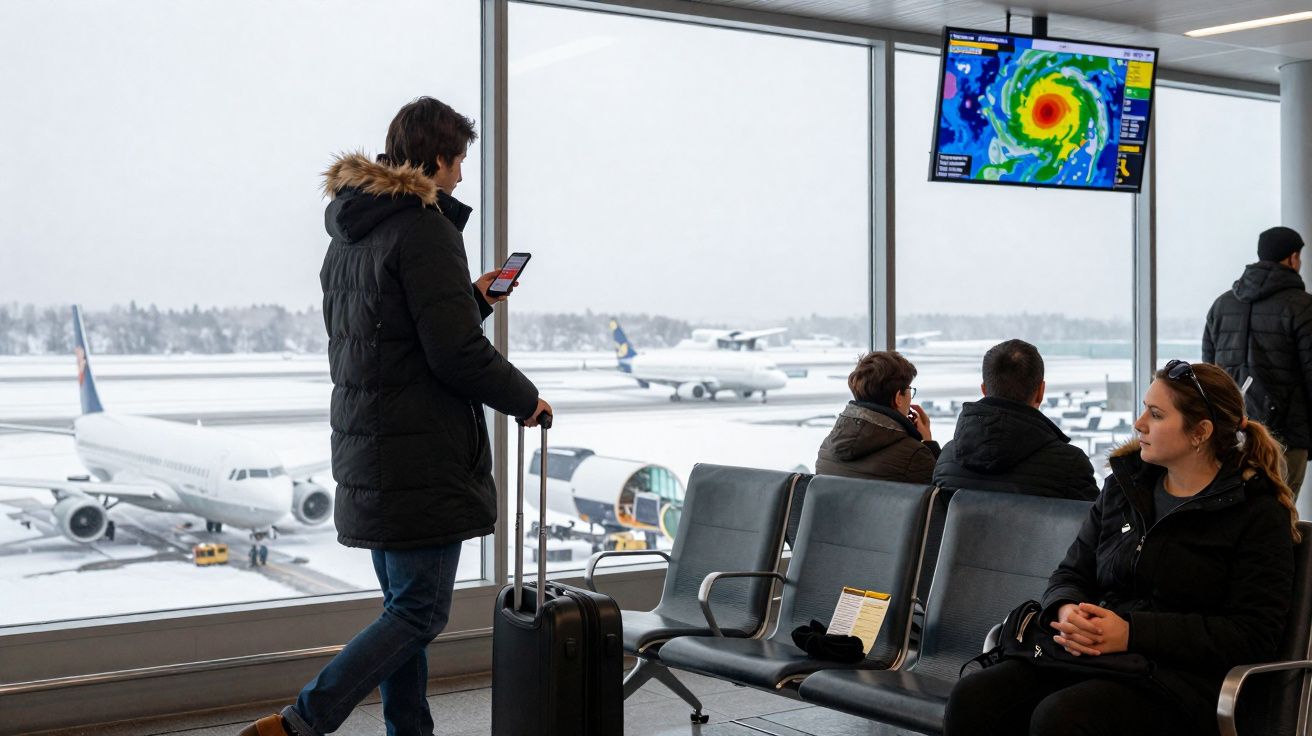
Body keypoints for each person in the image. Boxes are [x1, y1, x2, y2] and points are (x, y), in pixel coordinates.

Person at [241, 97, 550, 736]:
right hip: (420, 451)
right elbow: (454, 353)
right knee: (419, 614)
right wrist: (526, 399)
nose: (462, 176)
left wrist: (470, 298)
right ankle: (301, 723)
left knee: (401, 608)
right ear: (437, 157)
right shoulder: (424, 226)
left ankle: (409, 732)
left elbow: (395, 335)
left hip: (372, 446)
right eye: (459, 160)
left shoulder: (353, 233)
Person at [944, 361, 1298, 736]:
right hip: (1099, 660)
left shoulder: (1255, 513)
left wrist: (1132, 632)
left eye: (1156, 414)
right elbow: (1071, 572)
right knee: (975, 697)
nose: (1139, 423)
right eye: (1145, 408)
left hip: (1182, 681)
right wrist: (1065, 610)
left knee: (1064, 718)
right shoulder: (1124, 490)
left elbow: (1252, 635)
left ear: (1200, 433)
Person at [1204, 225, 1312, 496]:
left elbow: (1208, 375)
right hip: (1285, 437)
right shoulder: (1302, 307)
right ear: (1293, 258)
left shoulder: (1222, 305)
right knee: (1279, 513)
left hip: (1230, 435)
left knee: (1235, 514)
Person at [934, 339, 1098, 500]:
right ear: (1041, 391)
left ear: (984, 390)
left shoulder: (947, 458)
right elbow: (1099, 524)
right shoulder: (1070, 466)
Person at [815, 351, 938, 483]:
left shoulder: (826, 448)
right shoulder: (915, 456)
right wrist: (928, 444)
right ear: (898, 398)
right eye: (909, 389)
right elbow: (939, 497)